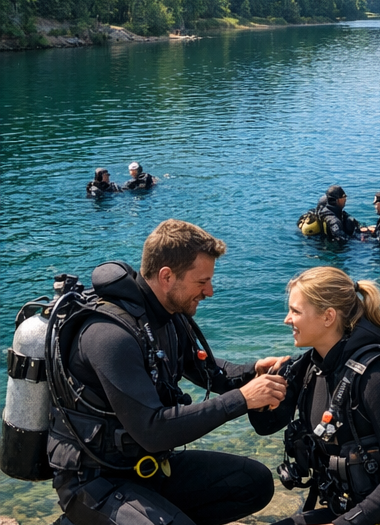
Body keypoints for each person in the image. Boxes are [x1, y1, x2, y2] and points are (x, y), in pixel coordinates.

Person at [47, 219, 289, 525]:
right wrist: (242, 399)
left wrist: (253, 372)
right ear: (166, 276)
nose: (210, 291)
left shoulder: (169, 316)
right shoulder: (110, 335)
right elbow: (153, 431)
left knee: (253, 483)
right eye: (202, 282)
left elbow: (209, 372)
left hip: (147, 468)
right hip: (95, 484)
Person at [249, 267, 380, 525]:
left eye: (295, 311)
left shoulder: (375, 379)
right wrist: (260, 394)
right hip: (346, 510)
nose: (287, 319)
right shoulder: (311, 369)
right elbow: (267, 425)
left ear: (328, 316)